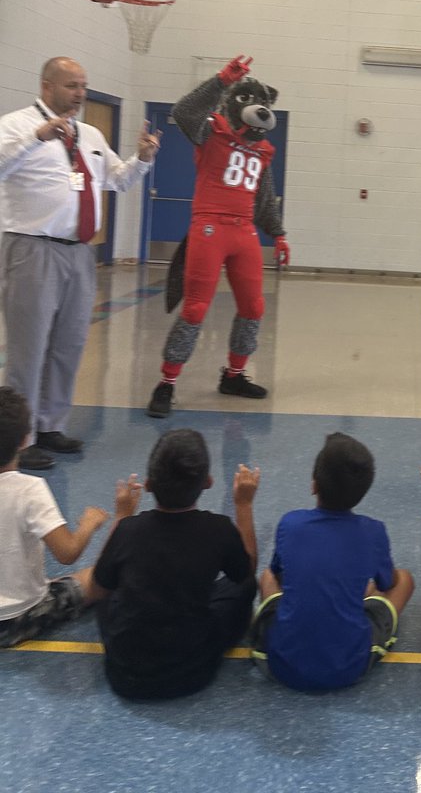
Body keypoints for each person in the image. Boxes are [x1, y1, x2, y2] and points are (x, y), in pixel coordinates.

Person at [0, 57, 161, 470]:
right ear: (47, 86)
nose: (80, 93)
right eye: (72, 85)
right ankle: (18, 440)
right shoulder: (16, 125)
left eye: (83, 86)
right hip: (32, 248)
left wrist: (143, 159)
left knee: (68, 344)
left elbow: (117, 179)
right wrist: (36, 138)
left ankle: (50, 426)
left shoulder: (89, 134)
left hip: (79, 253)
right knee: (28, 348)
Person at [146, 55, 288, 418]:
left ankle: (234, 376)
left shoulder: (262, 150)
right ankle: (167, 382)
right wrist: (222, 80)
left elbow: (264, 193)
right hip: (209, 227)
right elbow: (183, 111)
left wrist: (278, 234)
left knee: (254, 307)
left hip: (244, 231)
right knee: (196, 308)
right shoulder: (212, 132)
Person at [88, 428, 259, 700]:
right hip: (192, 672)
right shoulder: (218, 529)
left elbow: (97, 590)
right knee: (245, 585)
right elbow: (245, 573)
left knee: (110, 589)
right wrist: (244, 506)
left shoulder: (129, 529)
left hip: (125, 674)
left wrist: (121, 516)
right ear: (208, 482)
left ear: (148, 484)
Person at [250, 432, 414, 691]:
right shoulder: (373, 531)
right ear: (363, 492)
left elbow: (279, 576)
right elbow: (388, 582)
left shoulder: (290, 523)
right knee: (405, 579)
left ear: (314, 485)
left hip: (279, 663)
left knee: (267, 577)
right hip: (348, 668)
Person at [0, 385, 121, 646]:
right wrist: (88, 524)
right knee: (93, 578)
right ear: (25, 440)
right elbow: (67, 553)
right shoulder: (30, 490)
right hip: (17, 618)